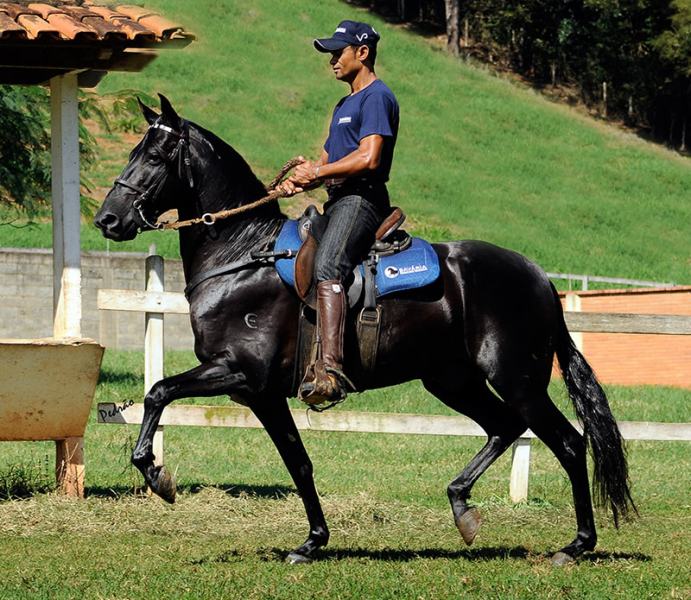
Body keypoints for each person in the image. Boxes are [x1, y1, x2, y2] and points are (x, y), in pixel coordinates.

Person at [282, 20, 400, 405]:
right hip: (336, 200)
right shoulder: (343, 104)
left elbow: (369, 157)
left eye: (338, 52)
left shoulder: (376, 98)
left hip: (362, 200)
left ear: (362, 53)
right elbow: (328, 161)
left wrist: (318, 172)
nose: (332, 60)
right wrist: (299, 181)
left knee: (329, 265)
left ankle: (330, 371)